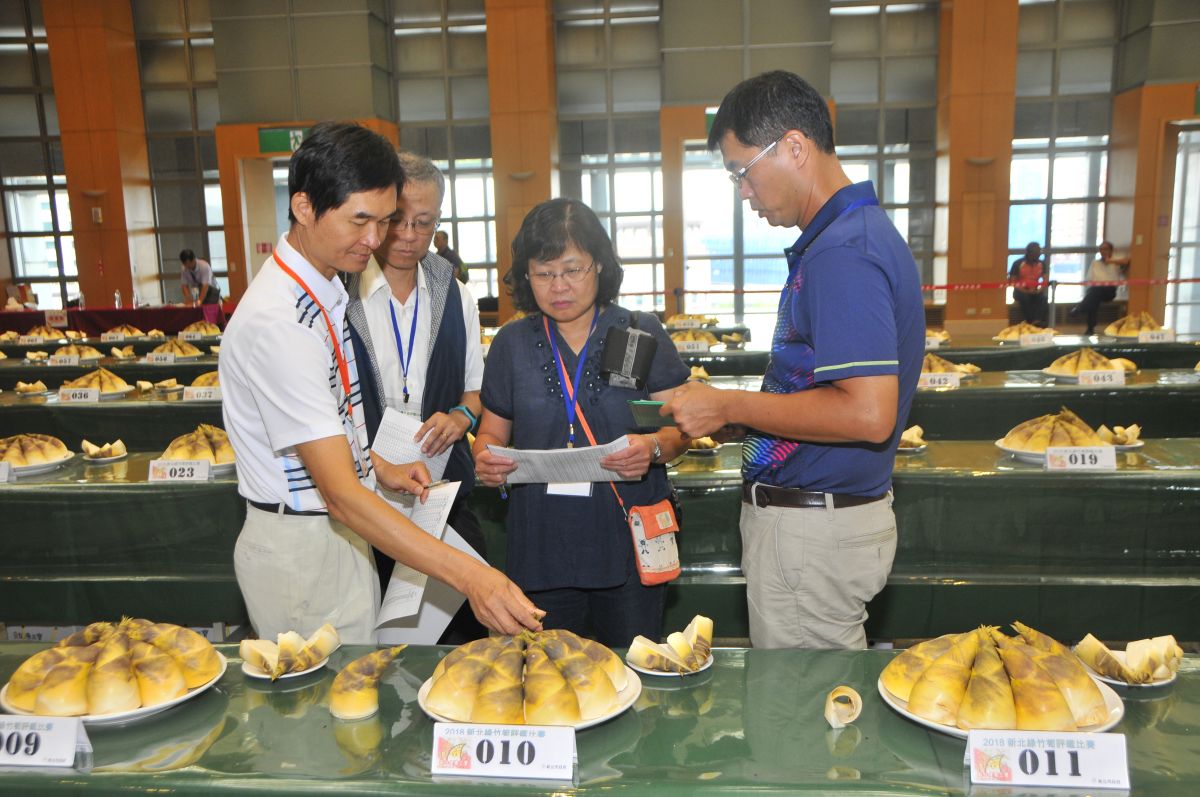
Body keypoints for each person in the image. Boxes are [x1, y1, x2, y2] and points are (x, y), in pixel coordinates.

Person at [219, 122, 542, 645]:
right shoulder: (282, 321)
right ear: (304, 207)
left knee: (362, 695)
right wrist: (470, 574)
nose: (376, 240)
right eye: (361, 220)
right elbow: (340, 496)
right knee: (326, 717)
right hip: (307, 542)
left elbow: (334, 445)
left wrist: (379, 467)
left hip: (336, 535)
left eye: (386, 220)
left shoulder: (319, 291)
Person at [662, 71, 924, 650]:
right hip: (823, 525)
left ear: (795, 147)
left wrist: (730, 401)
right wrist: (747, 417)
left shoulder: (842, 255)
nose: (743, 193)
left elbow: (867, 415)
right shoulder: (849, 237)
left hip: (813, 533)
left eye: (742, 172)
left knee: (799, 723)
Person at [472, 197, 691, 647]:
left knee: (636, 674)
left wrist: (651, 450)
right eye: (544, 273)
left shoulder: (635, 333)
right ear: (525, 276)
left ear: (600, 267)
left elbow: (680, 429)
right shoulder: (512, 344)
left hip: (626, 544)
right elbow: (493, 433)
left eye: (573, 269)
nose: (559, 286)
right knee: (547, 680)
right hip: (541, 547)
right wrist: (484, 457)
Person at [346, 151, 488, 644]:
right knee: (378, 651)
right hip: (364, 497)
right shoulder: (341, 292)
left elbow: (475, 393)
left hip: (442, 491)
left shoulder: (456, 295)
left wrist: (461, 417)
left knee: (460, 643)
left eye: (423, 223)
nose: (408, 236)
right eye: (397, 221)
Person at [1070, 241, 1129, 335]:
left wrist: (1110, 261)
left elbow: (1126, 261)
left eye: (1105, 249)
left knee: (1093, 296)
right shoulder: (1095, 263)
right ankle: (1090, 328)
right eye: (1101, 249)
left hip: (1109, 291)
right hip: (1095, 289)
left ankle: (1080, 309)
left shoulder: (1115, 261)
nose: (1103, 251)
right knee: (1093, 299)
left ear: (1110, 250)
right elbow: (1089, 278)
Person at [1009, 242, 1050, 326]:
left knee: (1043, 298)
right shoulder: (1017, 263)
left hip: (1035, 290)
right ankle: (1030, 322)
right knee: (1025, 298)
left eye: (1039, 252)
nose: (1039, 254)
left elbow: (1045, 279)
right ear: (1030, 253)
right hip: (1020, 291)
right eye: (1037, 252)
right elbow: (1013, 282)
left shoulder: (1042, 264)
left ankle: (1038, 320)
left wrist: (1039, 289)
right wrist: (1026, 291)